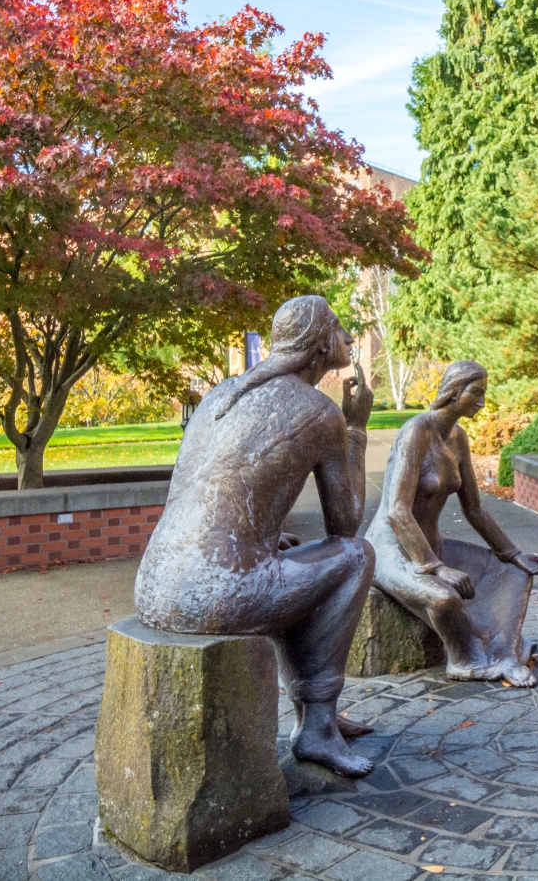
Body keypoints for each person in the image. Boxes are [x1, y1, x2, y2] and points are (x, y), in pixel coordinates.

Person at [134, 295, 377, 778]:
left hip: (156, 583)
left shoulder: (221, 395)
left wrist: (264, 537)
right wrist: (356, 429)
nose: (349, 337)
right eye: (339, 327)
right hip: (214, 595)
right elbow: (345, 526)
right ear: (319, 344)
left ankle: (314, 714)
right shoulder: (320, 412)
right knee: (355, 556)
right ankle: (318, 725)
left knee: (292, 562)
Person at [367, 360, 538, 686]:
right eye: (476, 392)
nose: (482, 401)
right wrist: (436, 568)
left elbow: (475, 509)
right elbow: (397, 512)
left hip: (431, 546)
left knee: (514, 571)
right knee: (444, 598)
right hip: (392, 549)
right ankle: (466, 661)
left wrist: (512, 553)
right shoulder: (415, 431)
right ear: (455, 391)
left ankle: (504, 652)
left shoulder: (458, 438)